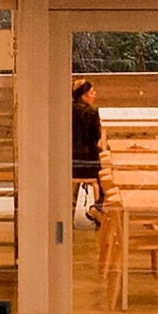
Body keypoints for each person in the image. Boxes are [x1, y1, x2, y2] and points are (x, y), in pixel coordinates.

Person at [70, 79, 103, 224]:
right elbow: (96, 136)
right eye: (91, 92)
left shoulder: (66, 111)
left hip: (70, 162)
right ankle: (99, 207)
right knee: (107, 173)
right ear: (83, 96)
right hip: (88, 162)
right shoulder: (92, 112)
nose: (94, 94)